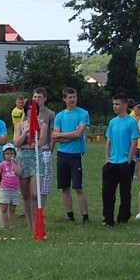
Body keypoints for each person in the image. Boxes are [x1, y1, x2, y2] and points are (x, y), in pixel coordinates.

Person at [52, 87, 91, 223]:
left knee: (78, 187)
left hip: (76, 155)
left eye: (74, 97)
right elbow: (55, 136)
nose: (72, 99)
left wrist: (62, 135)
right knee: (64, 187)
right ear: (64, 99)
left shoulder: (83, 113)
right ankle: (70, 215)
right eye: (69, 97)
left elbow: (78, 134)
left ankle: (85, 216)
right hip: (62, 154)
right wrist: (70, 136)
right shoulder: (60, 116)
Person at [102, 94, 139, 226]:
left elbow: (134, 143)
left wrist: (128, 161)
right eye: (113, 104)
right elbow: (108, 141)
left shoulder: (131, 122)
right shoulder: (112, 122)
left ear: (124, 105)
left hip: (125, 162)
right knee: (107, 192)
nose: (115, 106)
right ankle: (108, 218)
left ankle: (123, 218)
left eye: (117, 104)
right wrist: (107, 159)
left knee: (125, 192)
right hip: (112, 162)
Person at [14, 100, 48, 230]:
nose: (30, 112)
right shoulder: (20, 125)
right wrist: (25, 133)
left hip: (36, 159)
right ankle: (30, 224)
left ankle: (36, 222)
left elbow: (39, 143)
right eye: (28, 109)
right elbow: (17, 143)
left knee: (34, 193)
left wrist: (27, 145)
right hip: (22, 159)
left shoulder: (42, 125)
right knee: (26, 194)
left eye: (33, 110)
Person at [32, 87, 56, 208]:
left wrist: (50, 150)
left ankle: (41, 208)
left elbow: (52, 134)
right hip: (30, 149)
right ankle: (29, 210)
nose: (37, 99)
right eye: (35, 97)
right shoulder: (28, 112)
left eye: (40, 97)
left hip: (44, 149)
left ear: (45, 98)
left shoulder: (50, 114)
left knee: (44, 181)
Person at [0, 144, 22, 229]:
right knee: (4, 208)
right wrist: (1, 186)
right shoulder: (2, 164)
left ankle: (12, 225)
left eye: (11, 153)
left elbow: (19, 173)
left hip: (15, 189)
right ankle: (2, 225)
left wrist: (13, 163)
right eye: (7, 153)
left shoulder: (17, 164)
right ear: (4, 155)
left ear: (15, 154)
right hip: (5, 189)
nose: (9, 155)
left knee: (13, 208)